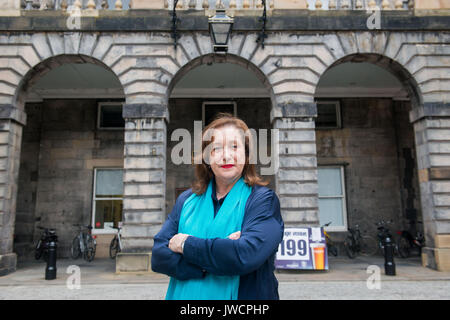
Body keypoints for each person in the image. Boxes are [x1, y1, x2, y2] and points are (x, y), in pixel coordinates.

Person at [151, 113, 284, 300]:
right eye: (217, 148)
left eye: (234, 147)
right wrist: (219, 255)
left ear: (246, 155)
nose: (226, 155)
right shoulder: (186, 200)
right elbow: (158, 256)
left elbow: (244, 256)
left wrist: (184, 244)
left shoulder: (263, 201)